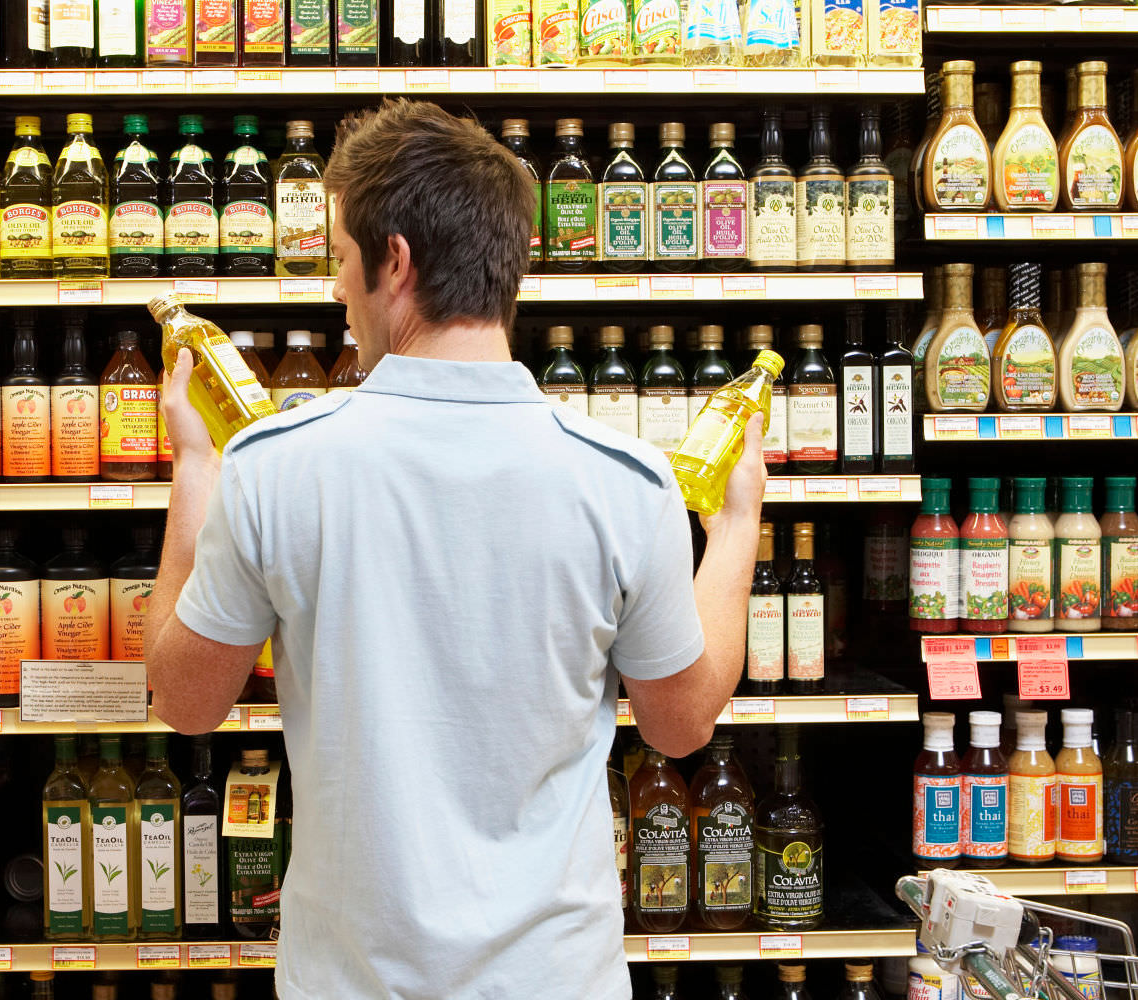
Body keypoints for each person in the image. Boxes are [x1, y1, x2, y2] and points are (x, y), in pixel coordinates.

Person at [148, 99, 764, 1000]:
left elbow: (183, 699)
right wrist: (740, 523)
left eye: (343, 262)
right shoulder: (625, 483)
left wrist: (194, 470)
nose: (336, 287)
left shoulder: (275, 467)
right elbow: (682, 724)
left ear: (394, 262)